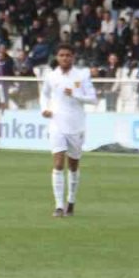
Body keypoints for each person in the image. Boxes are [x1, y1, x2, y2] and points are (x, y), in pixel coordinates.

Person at [41, 43, 96, 218]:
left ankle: (71, 201)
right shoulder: (51, 76)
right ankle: (58, 206)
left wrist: (75, 94)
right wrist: (44, 108)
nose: (65, 58)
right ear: (57, 57)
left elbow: (93, 99)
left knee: (73, 165)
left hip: (76, 124)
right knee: (58, 163)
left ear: (73, 57)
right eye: (62, 55)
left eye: (68, 55)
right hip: (57, 123)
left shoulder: (82, 75)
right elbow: (44, 94)